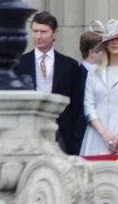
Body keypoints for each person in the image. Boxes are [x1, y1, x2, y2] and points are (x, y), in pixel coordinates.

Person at [13, 11, 86, 154]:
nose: (38, 36)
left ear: (54, 33)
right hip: (29, 134)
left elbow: (77, 105)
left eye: (43, 32)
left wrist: (75, 138)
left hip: (63, 135)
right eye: (35, 31)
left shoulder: (70, 66)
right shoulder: (19, 64)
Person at [80, 19, 118, 156]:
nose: (115, 42)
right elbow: (89, 106)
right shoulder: (93, 72)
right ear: (105, 44)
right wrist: (105, 135)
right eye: (111, 39)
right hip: (96, 136)